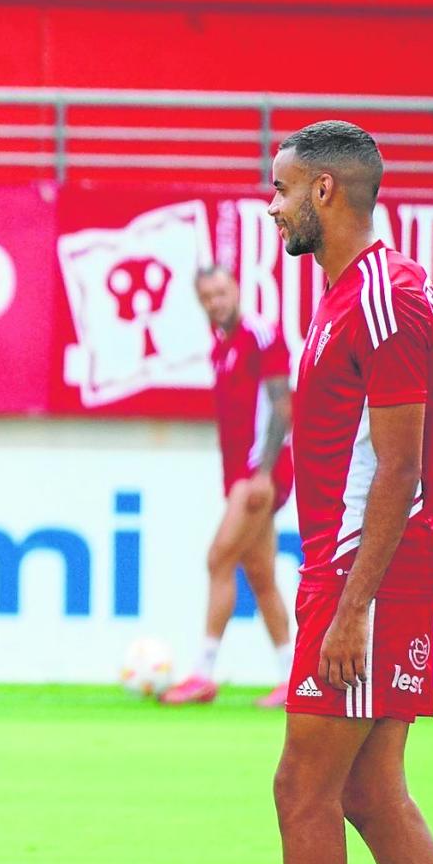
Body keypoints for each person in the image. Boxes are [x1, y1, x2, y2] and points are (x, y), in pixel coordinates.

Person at [268, 120, 433, 864]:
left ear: (323, 189)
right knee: (369, 796)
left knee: (301, 790)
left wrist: (353, 608)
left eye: (280, 189)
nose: (271, 207)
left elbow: (402, 465)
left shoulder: (385, 295)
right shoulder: (347, 295)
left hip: (363, 576)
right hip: (353, 573)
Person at [161, 265, 294, 707]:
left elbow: (282, 405)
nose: (216, 302)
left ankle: (202, 673)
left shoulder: (259, 333)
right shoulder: (221, 348)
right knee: (259, 574)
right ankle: (293, 676)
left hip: (259, 473)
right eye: (207, 297)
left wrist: (264, 473)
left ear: (235, 289)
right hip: (241, 473)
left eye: (221, 292)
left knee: (219, 559)